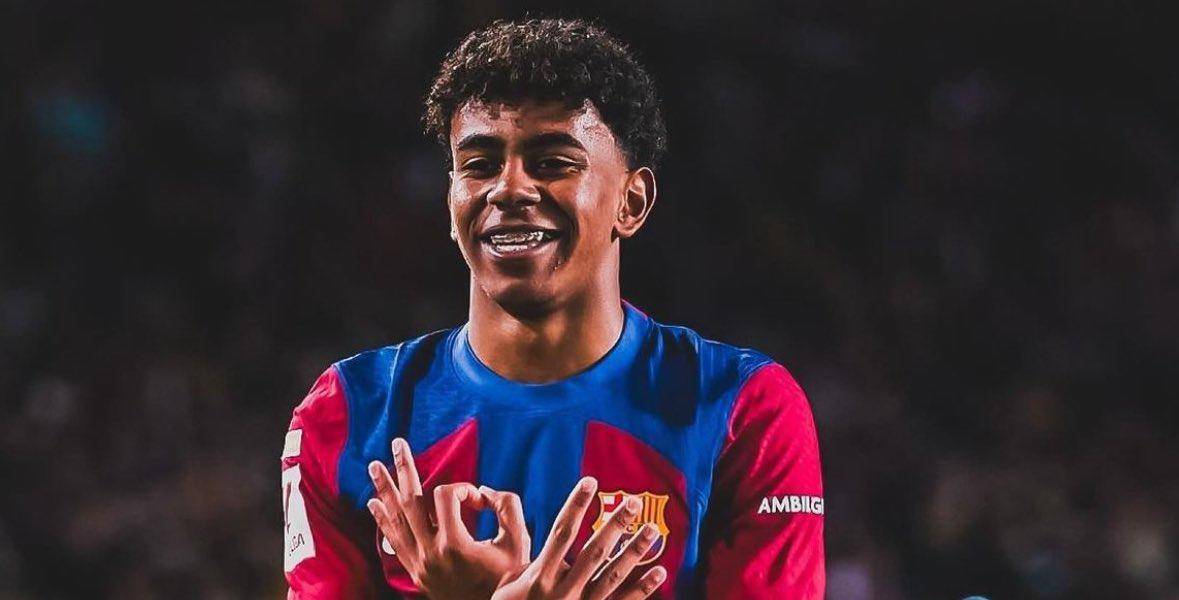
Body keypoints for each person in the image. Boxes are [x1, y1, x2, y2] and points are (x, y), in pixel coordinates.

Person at [281, 18, 824, 599]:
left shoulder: (742, 408)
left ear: (631, 202)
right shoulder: (346, 414)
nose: (508, 189)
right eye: (479, 164)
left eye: (553, 162)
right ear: (451, 202)